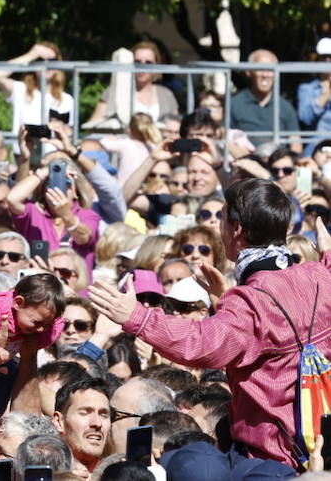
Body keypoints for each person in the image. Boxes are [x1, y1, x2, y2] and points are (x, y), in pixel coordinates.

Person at [90, 177, 331, 467]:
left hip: (275, 459)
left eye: (222, 218)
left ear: (236, 229)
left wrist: (137, 317)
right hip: (323, 444)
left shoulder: (249, 301)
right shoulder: (319, 275)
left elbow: (200, 344)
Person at [0, 272, 65, 370]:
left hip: (7, 358)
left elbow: (59, 323)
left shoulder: (42, 316)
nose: (41, 329)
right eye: (37, 322)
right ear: (18, 303)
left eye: (47, 324)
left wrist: (39, 342)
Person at [0, 43, 75, 137]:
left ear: (57, 66)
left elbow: (69, 134)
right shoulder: (20, 90)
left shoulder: (67, 99)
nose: (46, 64)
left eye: (52, 60)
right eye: (40, 60)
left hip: (55, 151)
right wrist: (33, 54)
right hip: (22, 150)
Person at [229, 50, 302, 152]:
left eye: (270, 69)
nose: (265, 74)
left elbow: (296, 143)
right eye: (260, 69)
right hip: (245, 162)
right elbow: (226, 140)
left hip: (278, 164)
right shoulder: (234, 104)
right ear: (248, 72)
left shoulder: (285, 106)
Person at [298, 38, 331, 136]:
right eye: (324, 56)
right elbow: (305, 119)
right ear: (318, 59)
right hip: (316, 147)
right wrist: (326, 94)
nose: (327, 60)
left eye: (330, 56)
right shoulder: (306, 89)